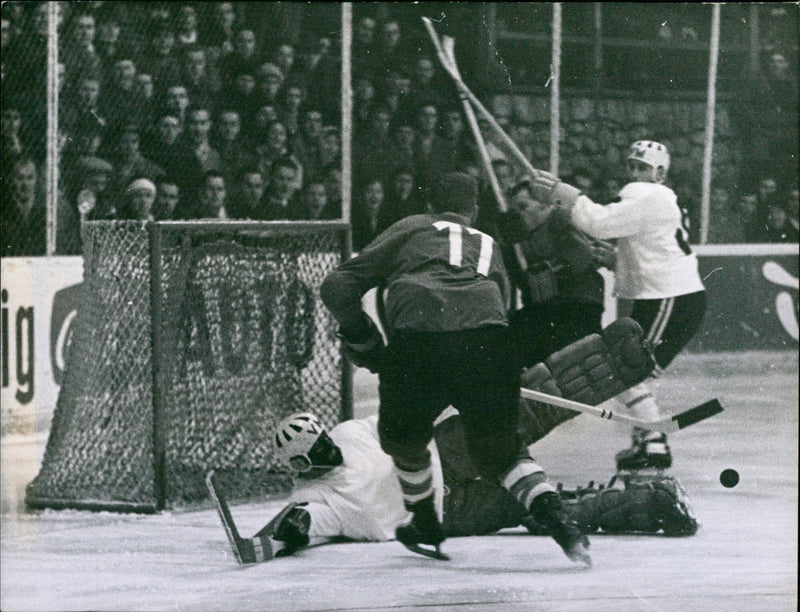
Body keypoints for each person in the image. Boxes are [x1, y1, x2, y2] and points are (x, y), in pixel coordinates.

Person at [319, 172, 591, 564]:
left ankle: (425, 517)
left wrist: (363, 339)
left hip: (419, 344)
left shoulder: (412, 227)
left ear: (428, 205)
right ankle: (557, 516)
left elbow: (337, 287)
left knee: (404, 440)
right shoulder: (489, 243)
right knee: (502, 451)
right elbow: (499, 307)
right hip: (490, 345)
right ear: (474, 211)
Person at [263, 404, 697, 557]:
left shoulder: (346, 433)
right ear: (302, 464)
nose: (328, 449)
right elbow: (306, 523)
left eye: (322, 440)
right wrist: (294, 530)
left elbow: (399, 422)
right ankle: (651, 503)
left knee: (494, 427)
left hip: (440, 455)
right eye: (317, 452)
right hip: (444, 512)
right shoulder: (314, 496)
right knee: (540, 510)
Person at [525, 140, 707, 471]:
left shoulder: (647, 194)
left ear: (660, 173)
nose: (635, 173)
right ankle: (648, 441)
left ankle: (653, 443)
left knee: (625, 368)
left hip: (669, 297)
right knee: (627, 369)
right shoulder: (659, 198)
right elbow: (649, 245)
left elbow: (598, 223)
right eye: (632, 166)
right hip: (668, 296)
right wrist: (615, 258)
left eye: (643, 168)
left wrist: (564, 193)